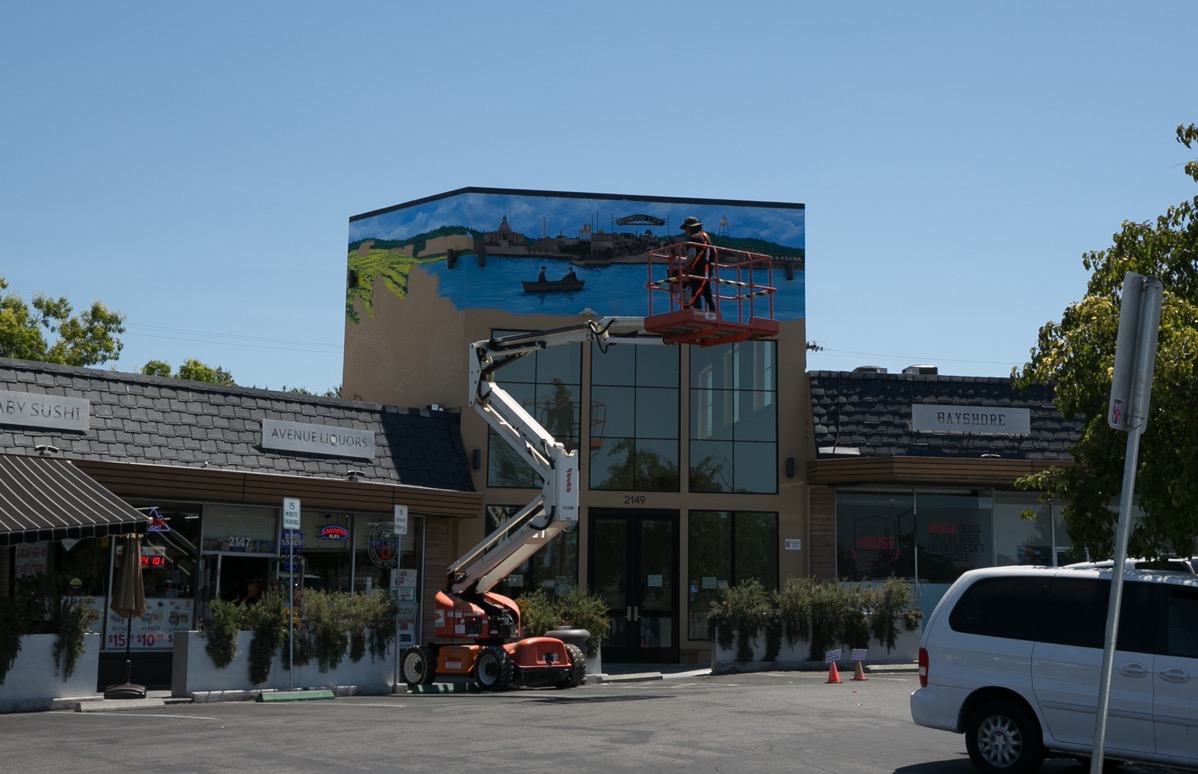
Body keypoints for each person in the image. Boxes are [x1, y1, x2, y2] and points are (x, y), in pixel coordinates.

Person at [679, 216, 715, 311]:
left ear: (689, 227)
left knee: (695, 292)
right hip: (708, 269)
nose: (686, 231)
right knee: (707, 293)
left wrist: (685, 266)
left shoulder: (694, 237)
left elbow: (692, 254)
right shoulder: (706, 236)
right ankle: (713, 313)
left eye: (686, 228)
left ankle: (697, 312)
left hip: (697, 269)